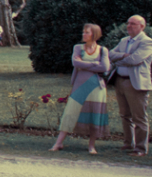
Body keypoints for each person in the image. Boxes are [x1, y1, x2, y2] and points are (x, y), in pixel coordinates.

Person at [49, 23, 110, 154]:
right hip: (80, 85)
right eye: (83, 32)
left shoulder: (103, 50)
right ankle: (58, 143)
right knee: (71, 112)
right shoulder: (78, 48)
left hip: (96, 87)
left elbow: (105, 67)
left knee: (95, 113)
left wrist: (85, 64)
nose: (84, 34)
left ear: (94, 34)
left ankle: (91, 146)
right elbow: (75, 63)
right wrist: (94, 63)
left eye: (87, 32)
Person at [108, 15, 152, 156]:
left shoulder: (147, 42)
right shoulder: (123, 41)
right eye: (128, 23)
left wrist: (119, 58)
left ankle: (140, 149)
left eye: (133, 24)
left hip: (136, 84)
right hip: (120, 81)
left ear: (142, 26)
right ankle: (128, 144)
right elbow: (110, 54)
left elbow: (135, 60)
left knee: (139, 117)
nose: (129, 26)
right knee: (125, 115)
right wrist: (124, 56)